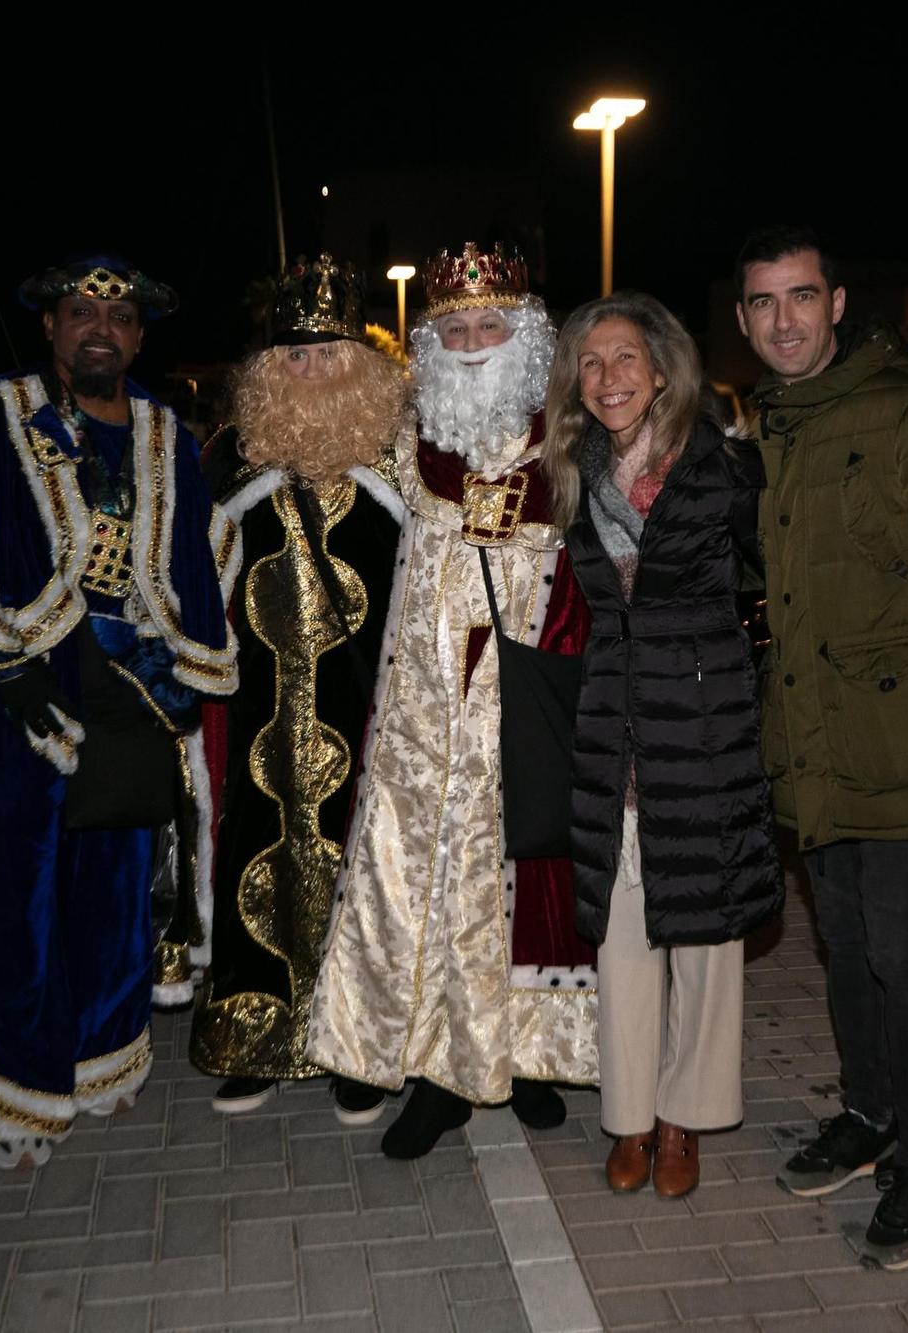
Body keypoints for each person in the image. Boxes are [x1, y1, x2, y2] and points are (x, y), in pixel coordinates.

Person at [0, 256, 237, 1169]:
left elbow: (199, 543)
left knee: (116, 885)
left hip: (127, 693)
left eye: (118, 317)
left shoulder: (163, 430)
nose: (99, 329)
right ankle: (17, 1090)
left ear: (139, 337)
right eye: (81, 311)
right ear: (50, 326)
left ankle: (102, 1057)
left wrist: (185, 661)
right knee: (17, 897)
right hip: (18, 696)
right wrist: (4, 662)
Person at [737, 226, 908, 1268]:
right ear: (742, 319)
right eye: (762, 304)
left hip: (905, 737)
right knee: (842, 944)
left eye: (799, 297)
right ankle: (866, 1112)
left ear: (837, 301)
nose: (782, 320)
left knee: (900, 950)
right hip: (811, 736)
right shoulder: (770, 424)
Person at [305, 243, 598, 1159]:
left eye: (490, 326)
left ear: (525, 335)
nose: (473, 344)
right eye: (456, 329)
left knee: (529, 870)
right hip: (422, 713)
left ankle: (529, 1058)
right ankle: (437, 1073)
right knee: (425, 882)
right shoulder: (405, 438)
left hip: (526, 699)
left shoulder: (571, 437)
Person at [540, 292, 781, 1199]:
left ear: (663, 367)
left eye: (624, 358)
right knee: (625, 933)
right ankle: (630, 1114)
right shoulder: (572, 471)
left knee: (708, 937)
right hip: (613, 729)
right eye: (590, 364)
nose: (608, 378)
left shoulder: (723, 466)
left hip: (704, 723)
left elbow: (773, 581)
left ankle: (686, 1116)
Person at [188, 255, 408, 1124]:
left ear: (357, 363)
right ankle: (258, 1038)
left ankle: (359, 1046)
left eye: (325, 353)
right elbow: (192, 580)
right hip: (260, 710)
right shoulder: (229, 459)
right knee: (257, 855)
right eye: (294, 355)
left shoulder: (397, 458)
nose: (309, 370)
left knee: (365, 871)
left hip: (368, 710)